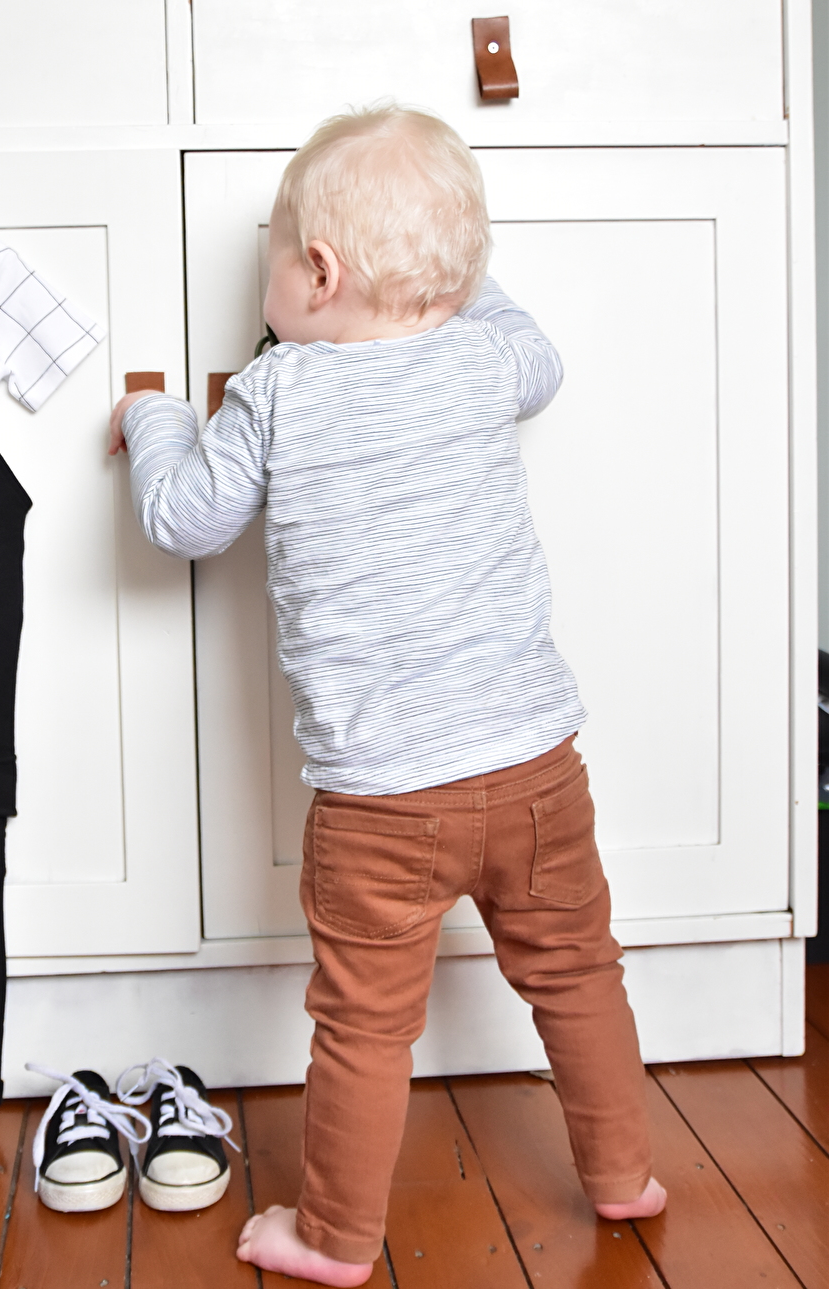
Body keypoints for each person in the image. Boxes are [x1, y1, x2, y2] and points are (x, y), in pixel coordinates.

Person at [108, 103, 665, 1287]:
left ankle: (333, 1237)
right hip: (533, 772)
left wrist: (153, 417)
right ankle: (624, 1175)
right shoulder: (483, 355)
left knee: (364, 1027)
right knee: (577, 972)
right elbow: (538, 349)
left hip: (381, 808)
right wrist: (453, 266)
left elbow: (182, 521)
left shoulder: (276, 393)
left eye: (267, 258)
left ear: (316, 272)